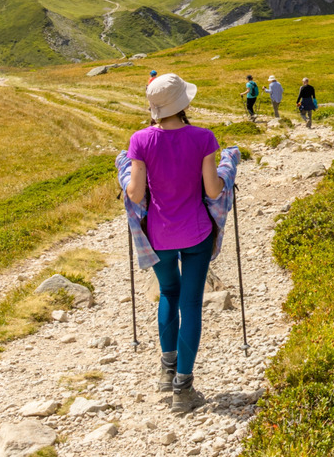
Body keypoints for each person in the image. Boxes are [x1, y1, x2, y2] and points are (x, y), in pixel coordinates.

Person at [119, 73, 236, 414]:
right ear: (183, 104)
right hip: (196, 234)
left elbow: (136, 194)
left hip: (159, 235)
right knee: (191, 303)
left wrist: (124, 175)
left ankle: (165, 371)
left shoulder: (140, 140)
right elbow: (213, 190)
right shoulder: (203, 138)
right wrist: (228, 170)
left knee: (168, 293)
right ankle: (183, 389)